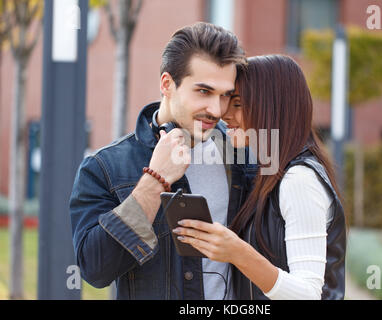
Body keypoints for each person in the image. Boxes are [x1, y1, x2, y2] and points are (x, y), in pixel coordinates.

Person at [69, 22, 248, 299]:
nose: (216, 109)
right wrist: (155, 181)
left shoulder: (243, 155)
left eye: (225, 95)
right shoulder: (105, 168)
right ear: (167, 84)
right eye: (203, 91)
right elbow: (95, 269)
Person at [173, 54, 347, 300]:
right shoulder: (269, 172)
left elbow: (309, 294)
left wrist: (237, 252)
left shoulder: (299, 180)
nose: (224, 114)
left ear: (271, 107)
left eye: (238, 104)